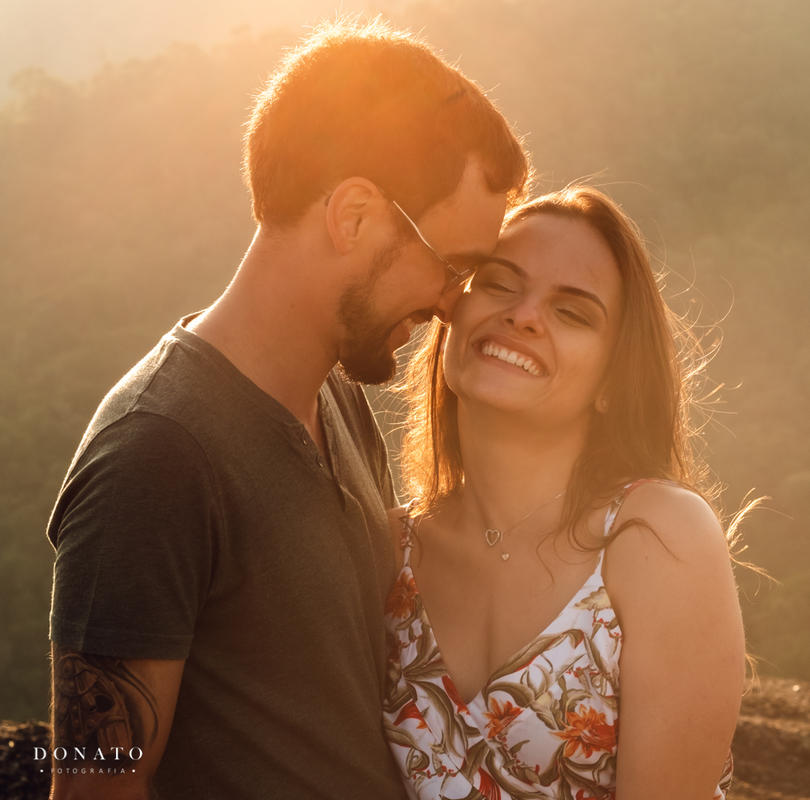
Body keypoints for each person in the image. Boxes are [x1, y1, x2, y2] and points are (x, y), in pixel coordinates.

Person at [45, 19, 528, 800]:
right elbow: (97, 787)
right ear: (354, 216)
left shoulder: (335, 397)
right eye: (451, 268)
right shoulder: (156, 455)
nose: (451, 305)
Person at [383, 186, 747, 799]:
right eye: (499, 283)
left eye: (573, 312)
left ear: (612, 381)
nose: (524, 315)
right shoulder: (388, 552)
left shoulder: (656, 537)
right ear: (451, 315)